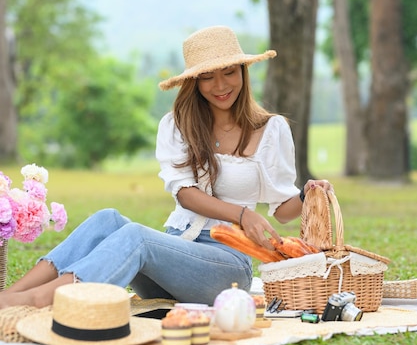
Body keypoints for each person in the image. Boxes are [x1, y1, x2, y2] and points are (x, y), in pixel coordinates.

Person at [0, 25, 332, 310]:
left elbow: (284, 212)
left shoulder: (270, 130)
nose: (220, 85)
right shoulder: (177, 125)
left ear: (243, 72)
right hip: (170, 257)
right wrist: (243, 213)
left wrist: (308, 192)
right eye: (207, 76)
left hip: (224, 269)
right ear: (195, 82)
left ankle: (39, 301)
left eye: (229, 72)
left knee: (135, 236)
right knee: (107, 219)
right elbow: (186, 196)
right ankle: (11, 296)